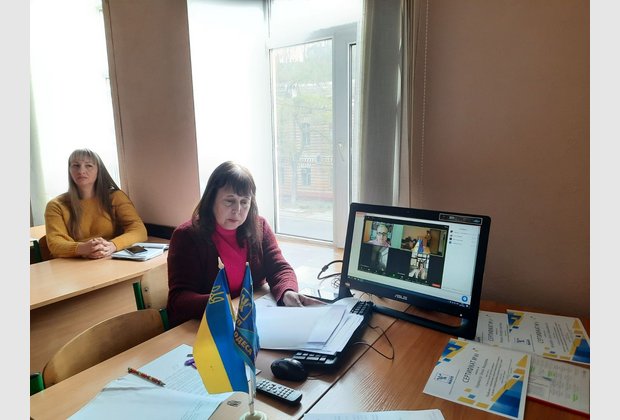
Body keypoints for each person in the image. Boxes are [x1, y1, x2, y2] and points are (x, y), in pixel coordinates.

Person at [166, 161, 323, 328]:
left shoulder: (259, 226)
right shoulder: (187, 236)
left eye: (244, 202)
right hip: (205, 327)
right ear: (211, 200)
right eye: (229, 201)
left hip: (250, 320)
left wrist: (287, 292)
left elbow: (279, 268)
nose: (237, 210)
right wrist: (221, 304)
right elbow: (178, 300)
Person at [44, 149, 148, 259]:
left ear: (99, 170)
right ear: (69, 170)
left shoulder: (116, 197)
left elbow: (139, 230)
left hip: (111, 258)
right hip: (74, 263)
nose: (81, 171)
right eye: (76, 165)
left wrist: (112, 245)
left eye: (88, 165)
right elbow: (55, 244)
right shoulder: (56, 205)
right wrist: (84, 248)